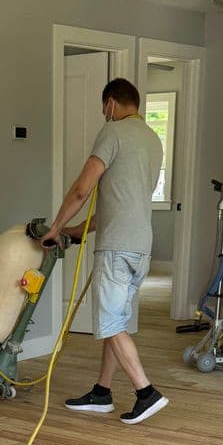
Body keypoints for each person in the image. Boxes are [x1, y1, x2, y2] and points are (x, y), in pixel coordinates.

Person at [41, 77, 169, 425]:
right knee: (117, 321)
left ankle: (146, 392)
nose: (104, 115)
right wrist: (74, 231)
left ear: (111, 103)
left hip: (116, 248)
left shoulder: (113, 132)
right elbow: (118, 205)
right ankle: (102, 392)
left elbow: (82, 190)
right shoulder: (153, 140)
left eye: (103, 109)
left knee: (110, 323)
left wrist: (54, 226)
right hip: (140, 247)